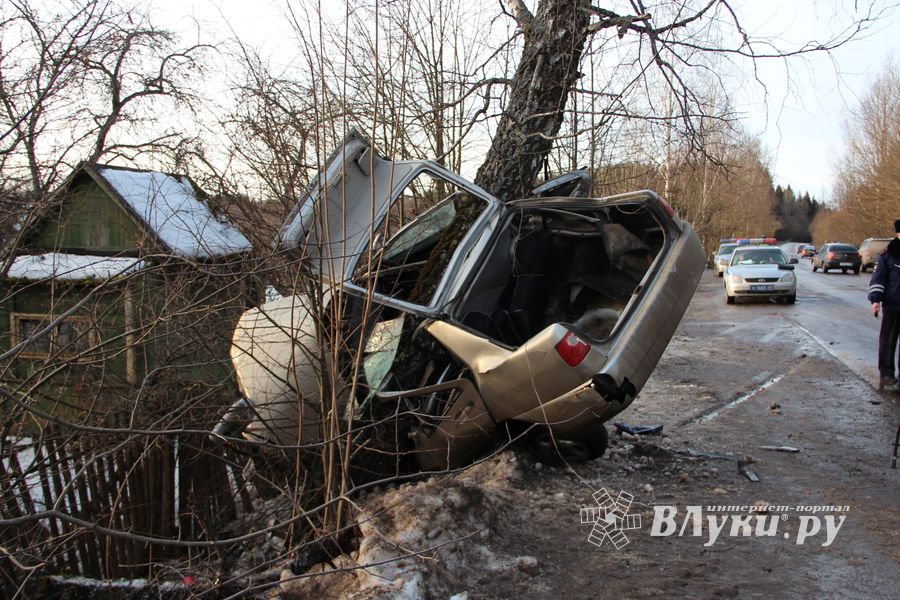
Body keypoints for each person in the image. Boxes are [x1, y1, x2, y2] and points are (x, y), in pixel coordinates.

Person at [868, 219, 900, 391]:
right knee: (888, 341)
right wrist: (875, 301)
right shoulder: (888, 254)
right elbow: (878, 279)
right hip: (893, 306)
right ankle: (887, 376)